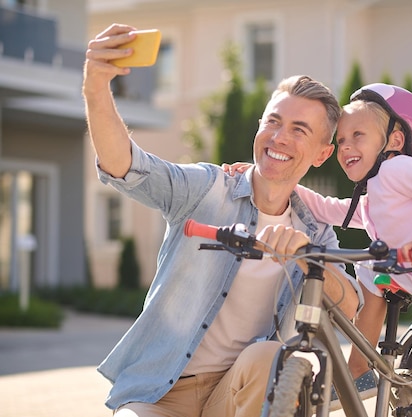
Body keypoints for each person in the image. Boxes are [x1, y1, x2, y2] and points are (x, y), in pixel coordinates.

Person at [83, 23, 362, 416]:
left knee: (270, 355)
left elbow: (350, 305)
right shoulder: (206, 189)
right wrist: (96, 87)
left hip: (237, 394)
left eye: (299, 130)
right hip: (161, 392)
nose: (279, 137)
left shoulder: (315, 229)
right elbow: (125, 164)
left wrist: (309, 257)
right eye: (273, 121)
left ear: (321, 154)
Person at [226, 83, 412, 416]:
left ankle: (360, 371)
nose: (346, 146)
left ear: (394, 142)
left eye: (358, 135)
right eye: (340, 140)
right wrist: (268, 175)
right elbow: (327, 208)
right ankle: (361, 368)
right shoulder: (373, 200)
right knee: (372, 264)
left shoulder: (396, 169)